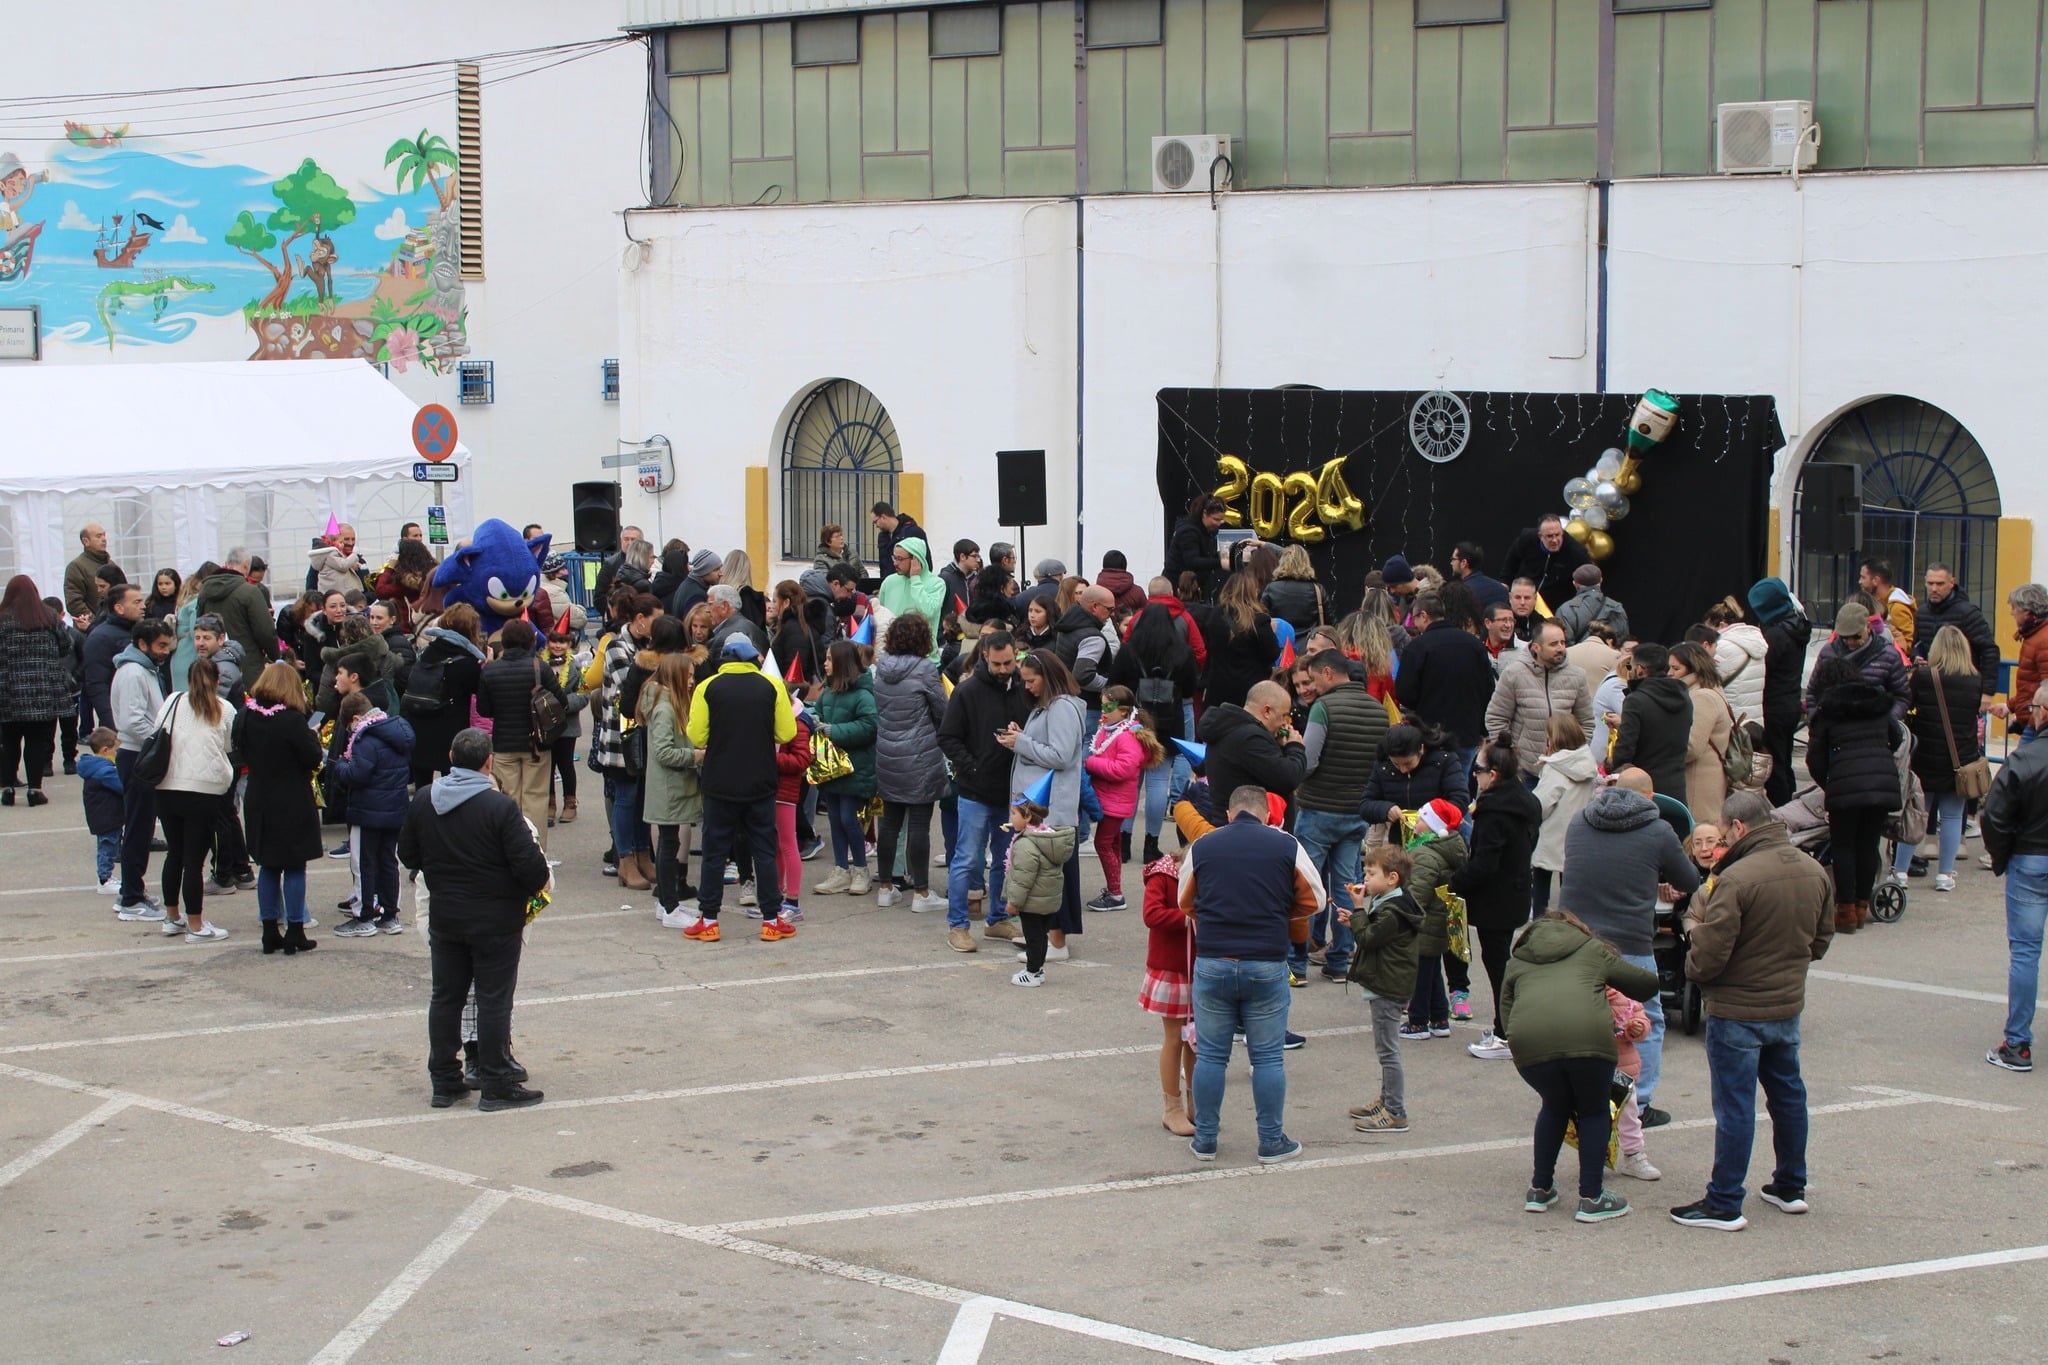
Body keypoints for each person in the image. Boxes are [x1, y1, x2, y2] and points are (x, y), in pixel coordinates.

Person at [1673, 790, 1834, 1229]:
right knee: (1788, 1096)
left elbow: (1711, 952)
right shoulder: (1813, 869)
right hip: (1785, 1002)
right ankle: (1790, 1184)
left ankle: (1724, 1200)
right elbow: (1821, 939)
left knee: (1736, 1106)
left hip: (1737, 1008)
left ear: (1738, 828)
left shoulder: (1737, 879)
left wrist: (1695, 966)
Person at [400, 728, 551, 1110]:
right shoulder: (498, 807)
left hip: (447, 916)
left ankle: (445, 1079)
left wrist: (441, 872)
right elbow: (533, 870)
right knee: (493, 1000)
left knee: (446, 998)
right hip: (495, 919)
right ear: (488, 763)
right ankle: (496, 1081)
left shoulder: (424, 800)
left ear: (451, 759)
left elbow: (408, 855)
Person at [1178, 783, 1323, 1163]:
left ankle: (1205, 1139)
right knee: (1268, 1058)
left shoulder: (1205, 845)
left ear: (1229, 813)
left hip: (1214, 960)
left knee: (1210, 1057)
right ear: (1266, 814)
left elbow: (1184, 901)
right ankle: (1271, 1141)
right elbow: (1316, 898)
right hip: (1266, 961)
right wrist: (1278, 914)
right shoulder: (1286, 845)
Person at [1501, 911, 1659, 1223]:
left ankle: (1540, 1188)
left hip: (1530, 1046)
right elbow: (1646, 985)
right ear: (1577, 930)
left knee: (1554, 1106)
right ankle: (1591, 1197)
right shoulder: (1591, 949)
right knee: (1593, 1110)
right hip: (1588, 1040)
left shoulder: (1517, 961)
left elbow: (1507, 1011)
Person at [1562, 768, 1699, 1122]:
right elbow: (1688, 879)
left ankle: (1581, 1097)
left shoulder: (1580, 822)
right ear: (1650, 798)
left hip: (1576, 940)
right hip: (1630, 941)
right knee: (1646, 1018)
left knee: (1580, 1021)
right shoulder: (1658, 830)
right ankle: (1640, 1103)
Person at [684, 636, 798, 942]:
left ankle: (708, 920)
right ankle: (772, 919)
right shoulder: (771, 686)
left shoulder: (708, 687)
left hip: (720, 781)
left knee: (714, 853)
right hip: (760, 780)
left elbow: (696, 735)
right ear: (752, 658)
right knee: (764, 849)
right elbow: (787, 731)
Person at [937, 629, 1032, 953]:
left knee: (1005, 861)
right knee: (967, 858)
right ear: (985, 658)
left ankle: (996, 919)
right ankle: (958, 925)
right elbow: (948, 737)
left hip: (1013, 793)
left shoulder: (1023, 688)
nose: (1005, 669)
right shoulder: (967, 692)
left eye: (1009, 663)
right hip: (976, 791)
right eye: (998, 663)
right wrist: (971, 767)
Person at [1447, 739, 1541, 1060]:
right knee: (1501, 962)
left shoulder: (1493, 810)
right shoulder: (1525, 802)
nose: (1475, 776)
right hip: (1516, 892)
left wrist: (1455, 883)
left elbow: (1485, 862)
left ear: (1495, 774)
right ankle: (1508, 1027)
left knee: (1497, 964)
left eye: (1479, 770)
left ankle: (1505, 1033)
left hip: (1495, 898)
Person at [1806, 654, 1907, 934]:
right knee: (1868, 843)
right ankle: (1863, 906)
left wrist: (1829, 782)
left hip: (1845, 786)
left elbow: (1815, 758)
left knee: (1843, 846)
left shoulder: (1828, 710)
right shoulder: (1877, 703)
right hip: (1881, 782)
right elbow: (1897, 738)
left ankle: (1846, 911)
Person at [1001, 650, 1089, 958]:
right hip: (1042, 808)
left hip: (1053, 810)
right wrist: (1023, 737)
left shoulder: (1061, 707)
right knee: (1041, 879)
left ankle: (1056, 942)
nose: (1026, 686)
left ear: (1048, 677)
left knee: (1050, 881)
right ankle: (1046, 939)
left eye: (1031, 680)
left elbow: (1061, 755)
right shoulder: (1048, 706)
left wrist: (1021, 743)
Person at [234, 661, 324, 955]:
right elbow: (312, 759)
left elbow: (238, 751)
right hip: (292, 798)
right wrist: (312, 736)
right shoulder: (292, 720)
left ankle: (269, 931)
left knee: (268, 866)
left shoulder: (246, 716)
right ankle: (295, 929)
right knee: (295, 865)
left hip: (259, 797)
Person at [152, 656, 239, 943]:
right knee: (194, 860)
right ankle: (196, 924)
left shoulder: (173, 701)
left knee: (175, 853)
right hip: (203, 790)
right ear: (217, 681)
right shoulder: (224, 709)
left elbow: (157, 730)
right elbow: (227, 745)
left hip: (167, 785)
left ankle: (172, 916)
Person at [1339, 845, 1425, 1134]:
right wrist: (1355, 919)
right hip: (1389, 980)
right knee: (1385, 1049)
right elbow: (1370, 930)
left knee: (1388, 1051)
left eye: (1371, 873)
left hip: (1388, 985)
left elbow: (1369, 938)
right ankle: (1387, 1100)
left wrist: (1358, 912)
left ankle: (1396, 1110)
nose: (1366, 877)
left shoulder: (1392, 910)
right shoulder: (1390, 901)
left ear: (1392, 879)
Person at [1984, 686, 2048, 1072]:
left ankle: (2018, 1043)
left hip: (2030, 858)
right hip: (2029, 854)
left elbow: (1995, 816)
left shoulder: (2024, 759)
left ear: (2042, 713)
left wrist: (2004, 855)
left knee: (2025, 952)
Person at [1110, 600, 1202, 862]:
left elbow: (1114, 684)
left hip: (1134, 722)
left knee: (1131, 783)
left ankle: (1124, 842)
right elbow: (1188, 688)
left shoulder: (1128, 651)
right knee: (1159, 783)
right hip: (1168, 722)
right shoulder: (1181, 653)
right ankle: (1151, 843)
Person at [871, 613, 950, 911]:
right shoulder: (925, 669)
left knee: (889, 822)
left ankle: (886, 887)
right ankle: (921, 892)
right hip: (920, 752)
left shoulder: (881, 669)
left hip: (888, 752)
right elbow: (942, 709)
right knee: (919, 823)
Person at [328, 680, 417, 936]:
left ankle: (364, 915)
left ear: (356, 718)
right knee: (388, 860)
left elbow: (358, 774)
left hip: (367, 811)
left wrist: (340, 765)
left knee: (363, 862)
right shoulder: (396, 732)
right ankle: (390, 915)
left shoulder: (365, 738)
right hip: (395, 809)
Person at [473, 619, 566, 851]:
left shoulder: (490, 670)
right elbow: (560, 702)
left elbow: (484, 709)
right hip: (536, 744)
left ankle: (509, 850)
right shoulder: (539, 668)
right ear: (530, 641)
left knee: (507, 799)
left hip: (503, 744)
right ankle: (536, 851)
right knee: (535, 798)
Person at [111, 616, 175, 920]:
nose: (165, 651)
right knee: (138, 828)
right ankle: (130, 899)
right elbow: (132, 720)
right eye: (160, 646)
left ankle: (132, 890)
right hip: (138, 756)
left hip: (142, 753)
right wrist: (161, 739)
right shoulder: (133, 672)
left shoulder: (144, 669)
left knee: (142, 826)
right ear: (142, 644)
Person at [1395, 591, 1495, 774]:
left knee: (1431, 788)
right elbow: (1488, 688)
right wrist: (1480, 728)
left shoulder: (1417, 647)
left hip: (1429, 734)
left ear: (1423, 615)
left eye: (1414, 618)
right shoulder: (1474, 645)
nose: (1414, 624)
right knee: (1458, 789)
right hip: (1467, 732)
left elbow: (1404, 693)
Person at [810, 639, 879, 898]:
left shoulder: (862, 695)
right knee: (835, 819)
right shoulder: (827, 693)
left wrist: (832, 730)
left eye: (829, 659)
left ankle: (860, 868)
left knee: (850, 818)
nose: (825, 664)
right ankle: (840, 869)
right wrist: (812, 718)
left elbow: (871, 726)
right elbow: (818, 714)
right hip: (831, 768)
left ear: (841, 663)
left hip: (855, 768)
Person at [1485, 618, 1594, 782]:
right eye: (1553, 644)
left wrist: (1575, 753)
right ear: (1536, 647)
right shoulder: (1514, 674)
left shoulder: (1577, 676)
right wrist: (1510, 756)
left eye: (1563, 642)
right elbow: (1496, 717)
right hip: (1525, 770)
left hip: (1566, 769)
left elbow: (1586, 721)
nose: (1560, 648)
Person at [1083, 685, 1159, 912]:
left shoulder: (1127, 736)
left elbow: (1122, 769)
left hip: (1115, 802)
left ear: (1124, 711)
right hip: (1108, 798)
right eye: (1102, 704)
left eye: (1109, 706)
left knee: (1102, 843)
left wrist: (1090, 764)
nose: (1103, 710)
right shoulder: (1109, 729)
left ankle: (1116, 894)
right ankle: (1114, 890)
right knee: (1112, 844)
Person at [641, 652, 704, 927]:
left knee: (670, 843)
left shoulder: (664, 702)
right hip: (669, 788)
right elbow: (664, 752)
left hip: (669, 788)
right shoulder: (665, 708)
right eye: (688, 676)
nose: (692, 681)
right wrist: (695, 756)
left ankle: (666, 904)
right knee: (668, 845)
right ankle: (669, 908)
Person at [1140, 846, 1197, 1133]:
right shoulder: (1162, 876)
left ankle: (1196, 1102)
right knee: (1175, 1038)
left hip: (1201, 968)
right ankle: (1171, 1107)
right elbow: (1151, 915)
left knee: (1198, 1041)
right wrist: (1188, 917)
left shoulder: (1202, 873)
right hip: (1172, 970)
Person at [0, 575, 69, 808]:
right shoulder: (48, 617)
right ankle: (34, 789)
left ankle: (8, 788)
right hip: (42, 690)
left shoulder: (2, 620)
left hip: (7, 689)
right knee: (36, 740)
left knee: (9, 740)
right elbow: (65, 645)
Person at [1744, 577, 1813, 806]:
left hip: (1773, 707)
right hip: (1789, 704)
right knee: (1783, 761)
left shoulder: (1776, 636)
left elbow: (1763, 668)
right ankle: (1790, 803)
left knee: (1774, 766)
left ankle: (1781, 810)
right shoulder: (1796, 625)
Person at [404, 603, 488, 787]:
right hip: (449, 731)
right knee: (452, 783)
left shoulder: (426, 652)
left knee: (423, 787)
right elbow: (479, 693)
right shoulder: (467, 661)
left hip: (419, 725)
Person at [1198, 679, 1307, 816]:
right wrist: (1295, 746)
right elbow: (1289, 777)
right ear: (1267, 711)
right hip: (1248, 826)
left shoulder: (1230, 728)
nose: (1284, 724)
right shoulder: (1251, 738)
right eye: (1283, 717)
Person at [1004, 792, 1076, 986]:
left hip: (1032, 902)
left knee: (1033, 938)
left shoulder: (1026, 843)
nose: (1010, 818)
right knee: (1040, 937)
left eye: (1013, 813)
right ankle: (1037, 969)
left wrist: (1013, 902)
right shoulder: (1047, 838)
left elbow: (1022, 878)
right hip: (1048, 900)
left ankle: (1033, 972)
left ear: (1027, 817)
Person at [1532, 714, 1597, 914]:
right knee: (1569, 887)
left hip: (1552, 835)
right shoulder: (1587, 764)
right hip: (1577, 835)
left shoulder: (1555, 768)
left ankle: (1540, 923)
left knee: (1541, 884)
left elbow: (1542, 804)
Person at [1609, 642, 1692, 800]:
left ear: (1640, 670)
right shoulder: (1684, 697)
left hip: (1642, 788)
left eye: (1630, 666)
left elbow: (1624, 751)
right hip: (1676, 787)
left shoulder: (1636, 701)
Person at [1670, 641, 1734, 828]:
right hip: (1707, 777)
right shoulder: (1711, 690)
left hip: (1700, 782)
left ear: (1694, 668)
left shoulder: (1702, 697)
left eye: (1676, 668)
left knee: (1699, 834)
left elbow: (1691, 747)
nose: (1670, 673)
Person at [198, 549, 282, 665]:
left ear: (227, 562)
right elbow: (265, 632)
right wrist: (275, 657)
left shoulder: (204, 591)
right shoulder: (250, 591)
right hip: (247, 664)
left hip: (214, 665)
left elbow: (200, 625)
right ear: (247, 566)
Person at [82, 582, 144, 731]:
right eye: (137, 602)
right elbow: (97, 685)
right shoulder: (100, 638)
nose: (143, 606)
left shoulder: (141, 632)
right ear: (119, 608)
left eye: (142, 601)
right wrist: (112, 723)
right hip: (121, 720)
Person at [1500, 515, 1591, 617]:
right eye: (1549, 536)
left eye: (1558, 535)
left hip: (1556, 606)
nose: (1554, 540)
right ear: (1540, 536)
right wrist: (1505, 582)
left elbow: (1588, 583)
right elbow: (1512, 558)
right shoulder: (1527, 539)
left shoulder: (1576, 552)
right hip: (1524, 597)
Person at [1993, 583, 2048, 747]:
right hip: (2033, 722)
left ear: (2027, 610)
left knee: (2020, 769)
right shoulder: (2034, 635)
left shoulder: (2043, 639)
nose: (2012, 612)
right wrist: (2010, 706)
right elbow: (2031, 685)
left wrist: (2032, 719)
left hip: (2037, 726)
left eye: (2014, 607)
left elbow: (2046, 689)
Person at [877, 537, 947, 658]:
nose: (895, 563)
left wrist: (915, 579)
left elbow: (928, 612)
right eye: (894, 557)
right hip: (892, 656)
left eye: (900, 559)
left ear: (916, 559)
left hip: (925, 658)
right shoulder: (889, 581)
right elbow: (881, 615)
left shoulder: (937, 584)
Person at [80, 726, 126, 893]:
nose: (117, 753)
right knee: (108, 846)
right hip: (107, 816)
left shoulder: (98, 768)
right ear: (106, 750)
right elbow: (122, 787)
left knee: (110, 846)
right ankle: (104, 879)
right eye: (116, 750)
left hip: (106, 815)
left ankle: (106, 876)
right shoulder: (104, 771)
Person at [1163, 495, 1227, 600]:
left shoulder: (1207, 530)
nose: (1219, 523)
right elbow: (1192, 561)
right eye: (1215, 519)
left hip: (1194, 584)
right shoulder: (1188, 532)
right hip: (1180, 584)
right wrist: (1220, 563)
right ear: (1204, 513)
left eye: (1221, 520)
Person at [1551, 563, 1628, 645]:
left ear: (1575, 584)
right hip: (1611, 656)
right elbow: (1623, 641)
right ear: (1601, 580)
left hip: (1579, 657)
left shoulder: (1565, 609)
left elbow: (1564, 644)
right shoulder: (1616, 607)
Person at [1260, 545, 1329, 633]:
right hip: (1309, 643)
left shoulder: (1271, 588)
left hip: (1281, 642)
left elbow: (1261, 621)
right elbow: (1330, 621)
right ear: (1306, 562)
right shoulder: (1317, 589)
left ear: (1282, 562)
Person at [1858, 557, 1917, 654]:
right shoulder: (1873, 602)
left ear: (1875, 580)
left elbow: (1908, 645)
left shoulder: (1897, 607)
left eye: (1863, 577)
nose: (1860, 581)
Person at [66, 523, 116, 619]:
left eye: (104, 535)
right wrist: (95, 623)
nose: (104, 539)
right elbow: (74, 603)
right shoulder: (76, 567)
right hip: (91, 630)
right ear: (86, 541)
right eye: (98, 536)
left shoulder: (111, 565)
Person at [311, 524, 368, 597]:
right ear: (333, 541)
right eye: (346, 539)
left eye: (353, 539)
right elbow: (311, 589)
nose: (351, 543)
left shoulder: (359, 560)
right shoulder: (322, 561)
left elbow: (366, 586)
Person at [870, 502, 926, 574]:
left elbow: (926, 562)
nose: (876, 526)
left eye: (875, 522)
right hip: (889, 582)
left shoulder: (913, 532)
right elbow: (883, 565)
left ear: (883, 517)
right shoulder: (882, 537)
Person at [668, 548, 723, 619]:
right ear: (704, 571)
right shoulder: (696, 596)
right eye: (716, 570)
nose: (721, 573)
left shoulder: (689, 585)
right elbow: (695, 625)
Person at [939, 539, 984, 614]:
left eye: (978, 556)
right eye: (974, 556)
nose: (978, 560)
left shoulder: (976, 578)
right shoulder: (945, 578)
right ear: (962, 556)